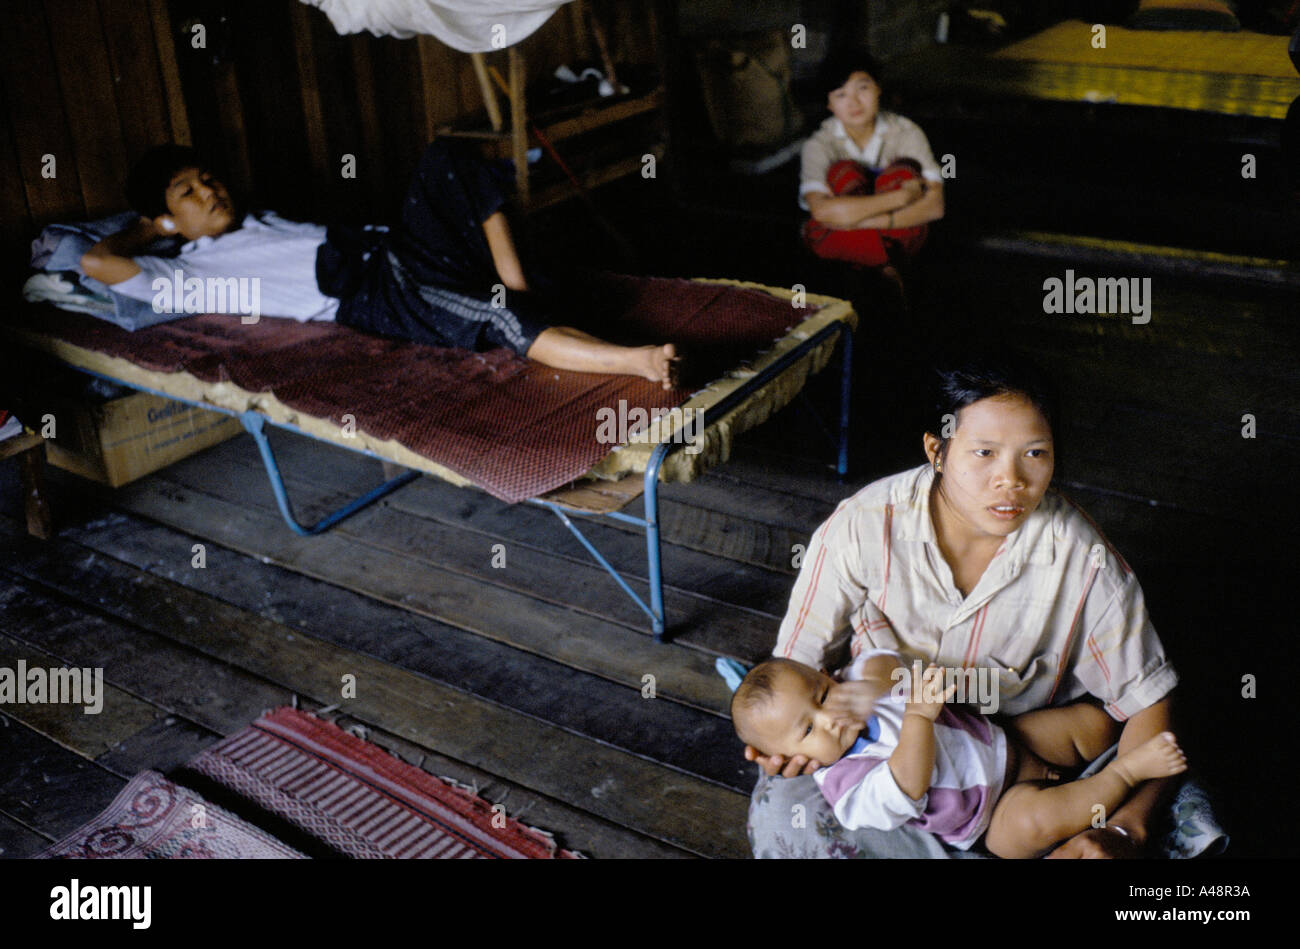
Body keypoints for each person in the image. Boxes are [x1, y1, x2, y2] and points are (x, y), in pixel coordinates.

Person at [744, 358, 1185, 859]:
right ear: (937, 449)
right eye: (984, 453)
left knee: (1146, 808)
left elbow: (1150, 698)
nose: (1011, 480)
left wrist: (1125, 828)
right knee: (784, 815)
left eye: (1034, 453)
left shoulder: (1081, 559)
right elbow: (796, 667)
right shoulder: (863, 524)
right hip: (888, 767)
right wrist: (791, 740)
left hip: (1026, 755)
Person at [79, 141, 679, 388]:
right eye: (187, 193)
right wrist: (143, 229)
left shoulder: (260, 220)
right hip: (377, 292)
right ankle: (636, 361)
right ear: (165, 221)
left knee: (449, 156)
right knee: (496, 320)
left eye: (207, 178)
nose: (209, 191)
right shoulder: (189, 277)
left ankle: (515, 285)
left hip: (394, 249)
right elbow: (95, 261)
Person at [732, 653, 1187, 859]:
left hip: (1009, 743)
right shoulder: (847, 787)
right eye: (808, 729)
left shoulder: (855, 688)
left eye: (822, 692)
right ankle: (1127, 772)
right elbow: (907, 784)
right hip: (992, 816)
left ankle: (1125, 737)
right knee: (1037, 821)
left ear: (825, 674)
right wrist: (917, 719)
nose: (829, 716)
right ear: (790, 759)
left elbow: (885, 661)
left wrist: (869, 684)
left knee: (1090, 725)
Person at [799, 52, 945, 289]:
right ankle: (887, 272)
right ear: (829, 104)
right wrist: (902, 197)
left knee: (903, 172)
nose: (854, 103)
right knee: (842, 171)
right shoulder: (819, 145)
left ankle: (865, 267)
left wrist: (857, 221)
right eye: (841, 94)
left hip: (878, 231)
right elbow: (821, 210)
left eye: (862, 88)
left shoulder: (906, 132)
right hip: (892, 226)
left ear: (878, 89)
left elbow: (935, 206)